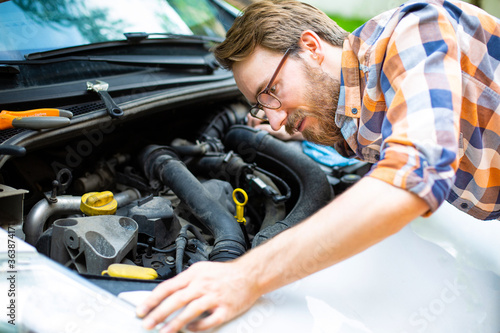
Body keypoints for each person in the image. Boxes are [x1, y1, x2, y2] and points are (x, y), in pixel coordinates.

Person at [136, 0, 500, 331]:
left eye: (271, 91)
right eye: (262, 106)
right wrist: (294, 127)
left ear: (310, 47)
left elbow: (413, 176)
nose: (275, 121)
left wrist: (246, 275)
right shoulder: (351, 97)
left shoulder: (416, 31)